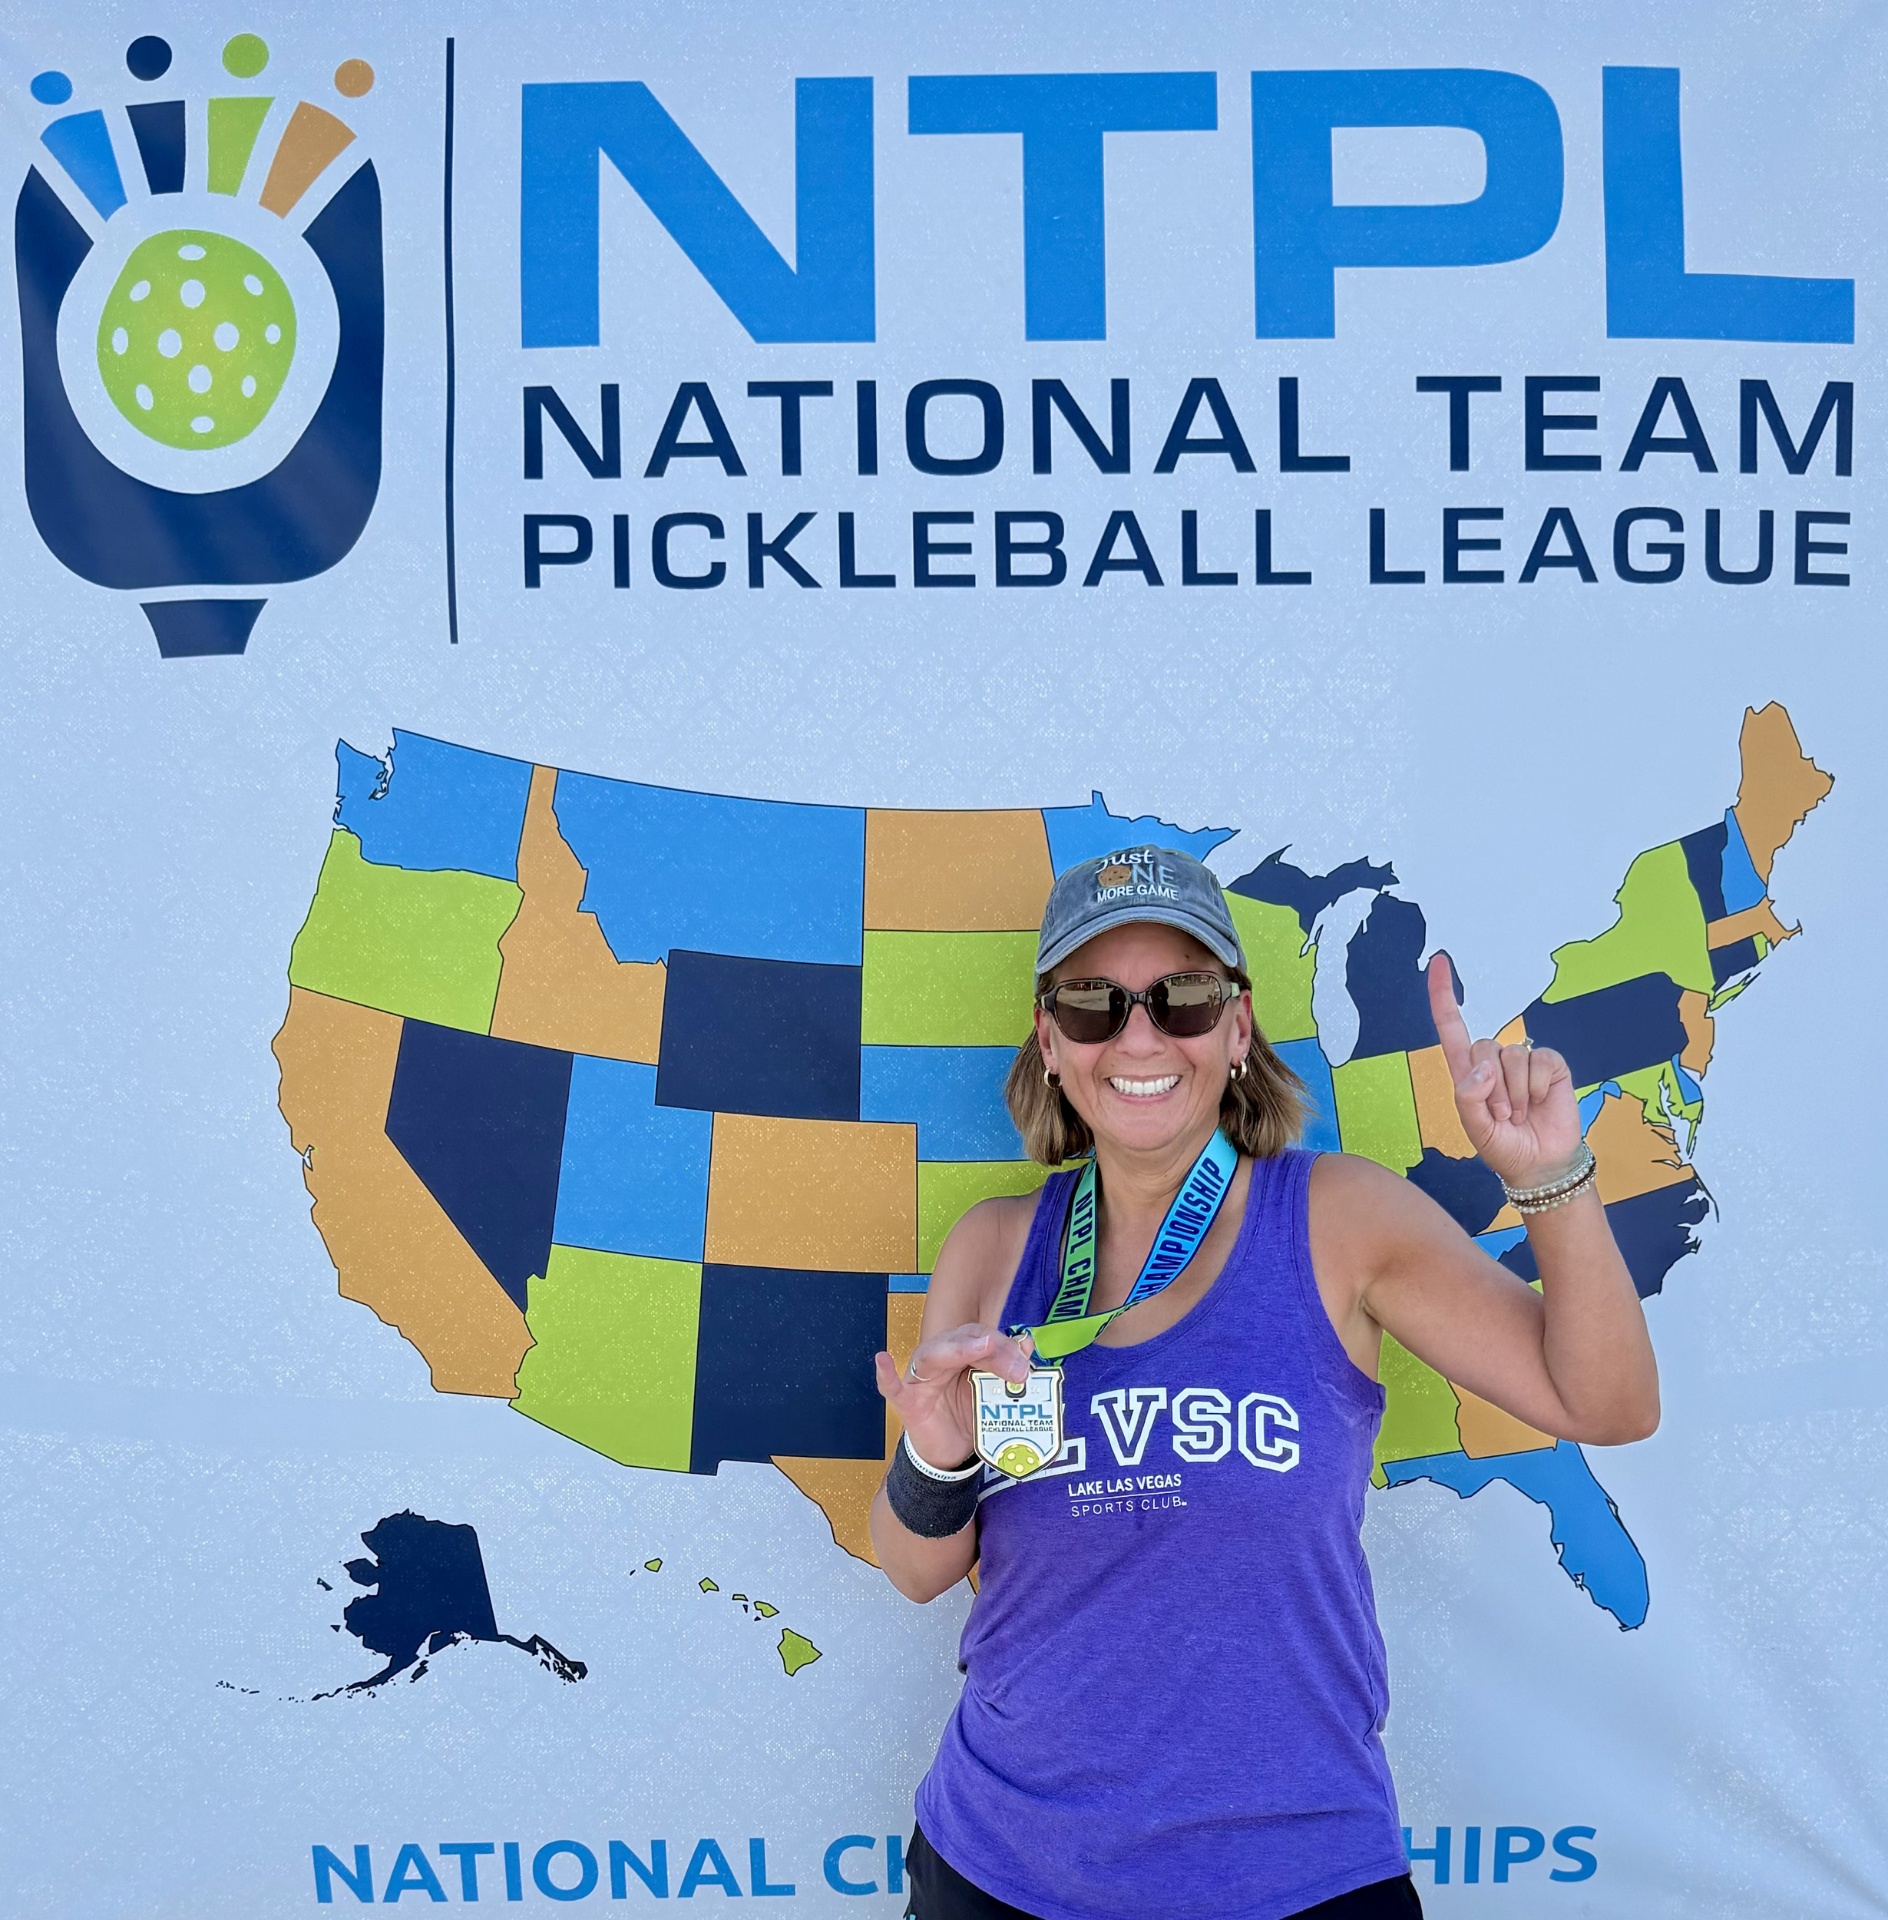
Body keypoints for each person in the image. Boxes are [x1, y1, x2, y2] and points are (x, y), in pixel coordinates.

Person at [870, 845, 1658, 1920]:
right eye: (1093, 1005)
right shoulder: (995, 1249)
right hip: (1005, 1870)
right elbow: (919, 1571)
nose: (1139, 1036)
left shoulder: (1337, 1219)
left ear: (1237, 1029)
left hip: (1294, 1878)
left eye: (1182, 998)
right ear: (1050, 1042)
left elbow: (1607, 1405)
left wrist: (1547, 1180)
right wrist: (934, 1452)